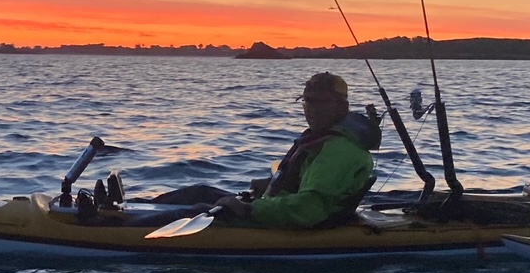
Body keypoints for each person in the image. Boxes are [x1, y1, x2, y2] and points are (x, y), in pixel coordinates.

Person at [141, 71, 380, 229]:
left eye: (320, 102)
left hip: (297, 224)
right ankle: (128, 210)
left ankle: (123, 229)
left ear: (342, 108)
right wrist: (271, 186)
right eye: (307, 100)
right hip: (276, 208)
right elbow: (301, 186)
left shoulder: (340, 150)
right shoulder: (321, 139)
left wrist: (248, 209)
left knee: (196, 211)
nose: (311, 108)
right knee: (198, 192)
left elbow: (308, 209)